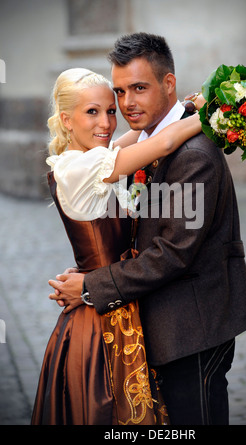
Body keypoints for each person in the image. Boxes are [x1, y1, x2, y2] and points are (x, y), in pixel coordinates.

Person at [48, 33, 246, 425]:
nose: (126, 104)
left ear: (168, 84)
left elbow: (173, 253)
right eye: (120, 91)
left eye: (139, 88)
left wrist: (92, 286)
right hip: (154, 324)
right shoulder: (138, 145)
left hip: (192, 330)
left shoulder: (194, 156)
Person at [31, 67, 203, 425]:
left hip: (117, 296)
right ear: (66, 119)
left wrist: (183, 107)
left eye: (110, 110)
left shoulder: (91, 157)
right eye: (92, 112)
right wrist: (214, 117)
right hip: (100, 316)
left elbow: (139, 134)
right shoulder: (82, 169)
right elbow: (164, 143)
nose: (108, 122)